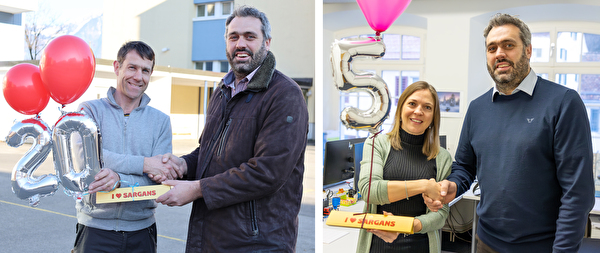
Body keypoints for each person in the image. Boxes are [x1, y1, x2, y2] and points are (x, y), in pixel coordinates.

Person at [425, 13, 595, 252]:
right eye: (491, 48)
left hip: (541, 247)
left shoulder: (563, 102)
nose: (499, 54)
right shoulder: (477, 108)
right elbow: (464, 166)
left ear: (527, 50)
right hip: (485, 242)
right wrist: (452, 186)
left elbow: (577, 193)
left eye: (508, 45)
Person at [155, 6, 309, 252]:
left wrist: (197, 189)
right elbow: (208, 152)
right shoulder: (222, 91)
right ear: (226, 42)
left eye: (250, 36)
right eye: (233, 37)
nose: (241, 44)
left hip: (257, 242)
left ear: (266, 42)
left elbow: (267, 172)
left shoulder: (284, 95)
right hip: (211, 236)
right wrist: (182, 166)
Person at [73, 41, 181, 253]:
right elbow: (85, 160)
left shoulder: (160, 121)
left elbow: (157, 180)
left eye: (145, 70)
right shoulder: (89, 111)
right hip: (95, 229)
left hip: (142, 231)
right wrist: (144, 164)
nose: (138, 77)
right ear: (117, 67)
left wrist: (118, 180)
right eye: (132, 67)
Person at [355, 81, 452, 253]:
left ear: (433, 117)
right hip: (377, 246)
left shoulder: (442, 157)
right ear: (400, 109)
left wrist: (405, 226)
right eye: (412, 104)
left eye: (427, 107)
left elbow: (440, 214)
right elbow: (369, 190)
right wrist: (424, 185)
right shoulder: (376, 143)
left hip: (421, 246)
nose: (418, 111)